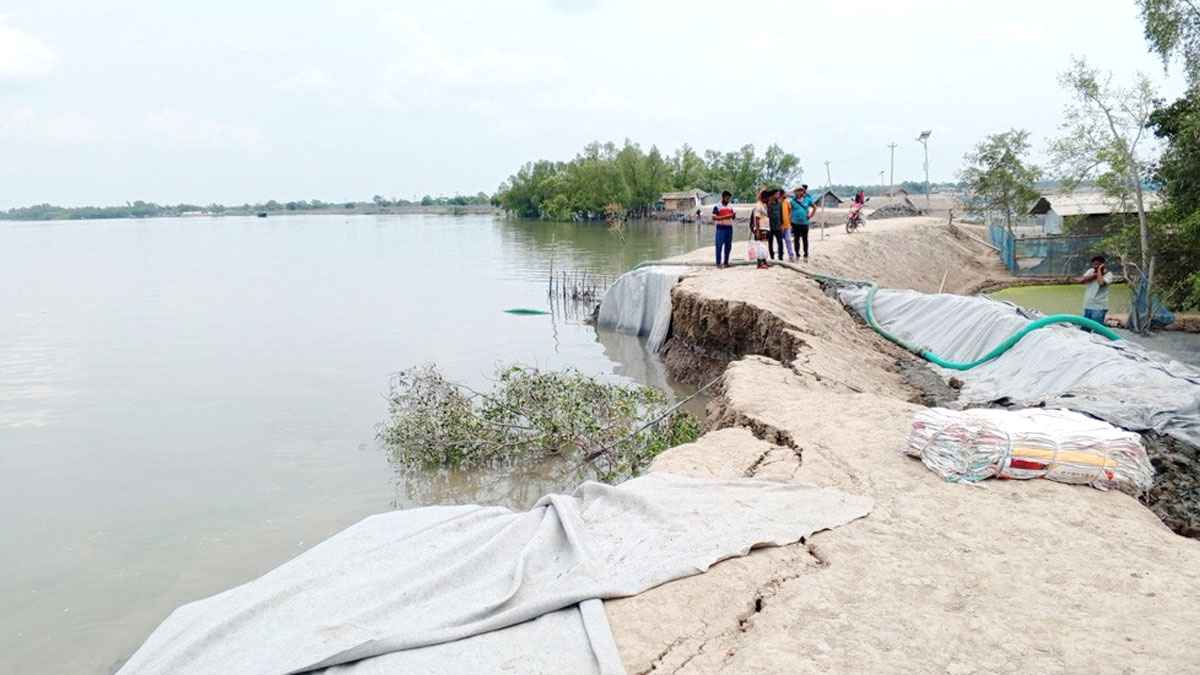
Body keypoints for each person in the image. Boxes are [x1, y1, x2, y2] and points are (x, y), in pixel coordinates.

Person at [1077, 255, 1115, 323]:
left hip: (1099, 307)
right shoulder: (1090, 271)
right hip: (1088, 305)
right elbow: (1081, 281)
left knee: (1097, 329)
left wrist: (1099, 271)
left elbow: (1101, 283)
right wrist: (1094, 275)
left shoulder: (1109, 274)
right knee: (1085, 329)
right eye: (1094, 263)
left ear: (1102, 264)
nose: (1095, 265)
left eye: (1098, 263)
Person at [787, 185, 817, 260]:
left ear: (802, 192)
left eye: (799, 191)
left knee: (805, 239)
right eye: (796, 191)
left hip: (805, 223)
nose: (797, 192)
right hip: (795, 223)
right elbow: (789, 212)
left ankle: (806, 254)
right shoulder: (792, 201)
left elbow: (814, 207)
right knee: (796, 239)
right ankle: (797, 254)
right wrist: (789, 221)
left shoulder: (807, 200)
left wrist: (811, 215)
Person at [712, 191, 735, 268]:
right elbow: (714, 217)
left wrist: (733, 215)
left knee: (728, 246)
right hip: (720, 228)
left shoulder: (730, 206)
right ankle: (718, 263)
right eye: (727, 198)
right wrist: (726, 217)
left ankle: (726, 262)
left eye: (729, 198)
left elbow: (733, 216)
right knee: (719, 246)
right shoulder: (717, 206)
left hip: (729, 228)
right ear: (723, 197)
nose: (728, 200)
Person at [751, 189, 771, 269]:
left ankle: (764, 261)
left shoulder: (763, 205)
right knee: (760, 246)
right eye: (767, 198)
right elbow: (756, 218)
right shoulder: (758, 205)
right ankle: (760, 263)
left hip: (765, 228)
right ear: (764, 198)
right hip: (761, 228)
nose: (768, 200)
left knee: (764, 246)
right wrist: (758, 231)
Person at [776, 188, 796, 261]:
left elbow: (790, 211)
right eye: (784, 194)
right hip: (778, 226)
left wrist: (789, 219)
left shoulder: (786, 202)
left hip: (787, 225)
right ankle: (780, 256)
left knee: (788, 240)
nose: (785, 195)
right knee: (780, 242)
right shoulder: (777, 202)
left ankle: (791, 255)